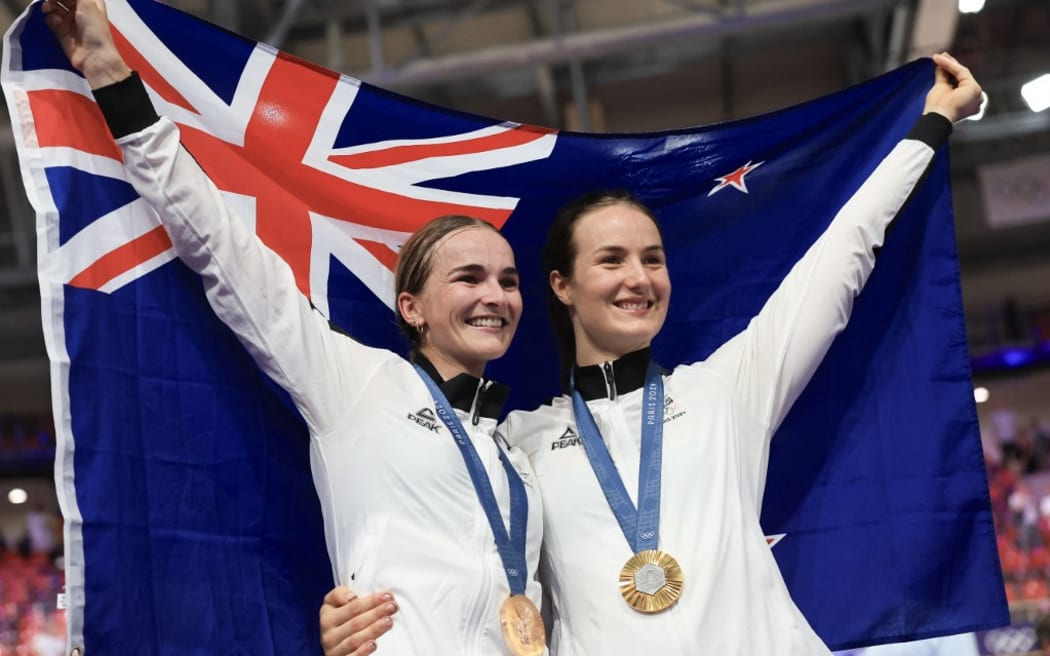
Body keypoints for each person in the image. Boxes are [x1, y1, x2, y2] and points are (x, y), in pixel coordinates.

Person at [320, 53, 982, 654]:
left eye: (653, 260)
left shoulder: (724, 394)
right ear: (562, 286)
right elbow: (444, 541)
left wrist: (927, 129)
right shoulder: (515, 447)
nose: (638, 278)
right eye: (611, 260)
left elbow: (840, 261)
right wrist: (356, 614)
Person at [41, 1, 546, 655]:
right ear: (412, 307)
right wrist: (111, 76)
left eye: (508, 281)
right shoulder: (356, 384)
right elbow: (223, 249)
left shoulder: (520, 454)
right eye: (469, 277)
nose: (495, 296)